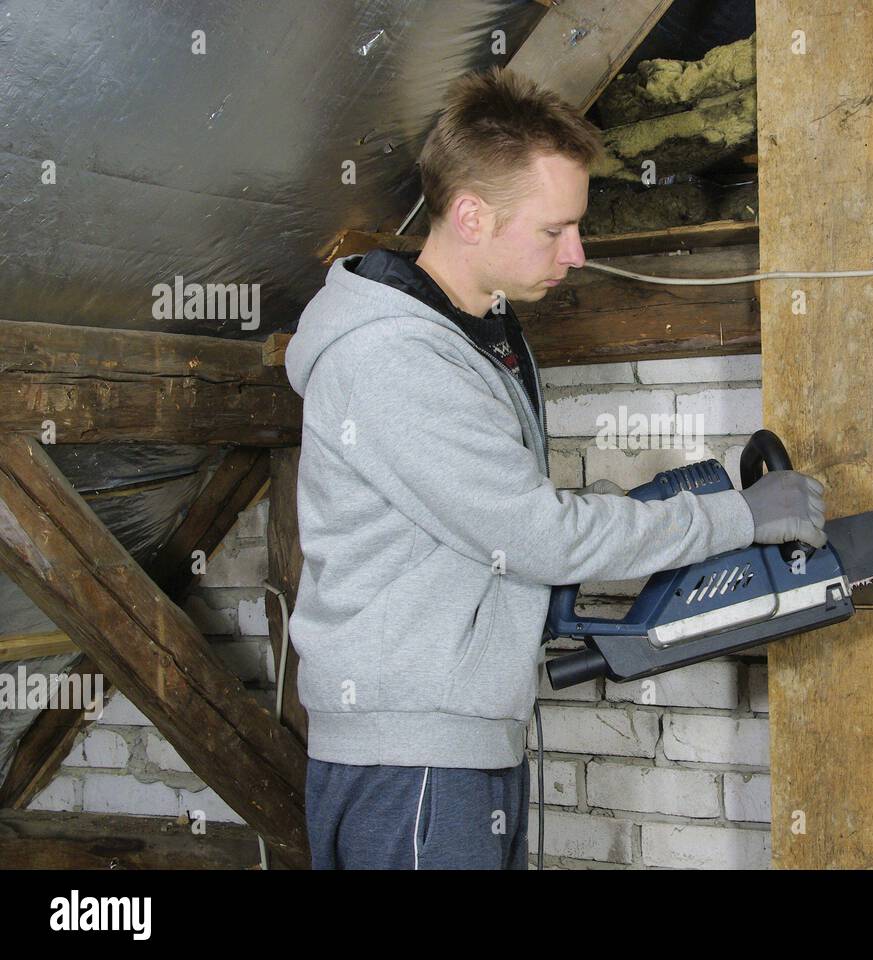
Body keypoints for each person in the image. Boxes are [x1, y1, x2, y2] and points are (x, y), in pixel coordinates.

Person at [283, 66, 826, 870]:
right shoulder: (394, 359)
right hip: (415, 757)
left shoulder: (471, 335)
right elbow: (535, 534)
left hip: (449, 740)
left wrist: (657, 508)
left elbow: (502, 516)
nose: (576, 253)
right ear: (470, 214)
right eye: (554, 229)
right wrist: (737, 519)